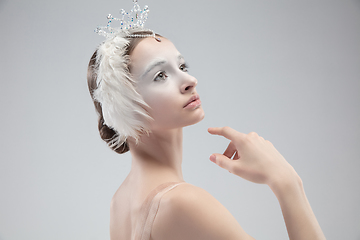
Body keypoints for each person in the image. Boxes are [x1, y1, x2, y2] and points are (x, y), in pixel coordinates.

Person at [87, 1, 326, 239]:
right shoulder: (183, 202)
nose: (190, 79)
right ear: (123, 105)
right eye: (160, 75)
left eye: (182, 66)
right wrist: (287, 182)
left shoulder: (119, 201)